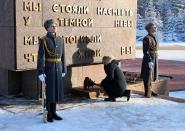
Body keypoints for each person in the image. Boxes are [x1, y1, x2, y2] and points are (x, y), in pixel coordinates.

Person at [37, 19, 67, 122]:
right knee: (49, 92)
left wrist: (64, 68)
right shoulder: (44, 40)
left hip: (58, 68)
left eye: (55, 25)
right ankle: (48, 113)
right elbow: (41, 57)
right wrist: (40, 72)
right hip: (49, 69)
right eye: (52, 26)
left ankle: (54, 112)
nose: (54, 27)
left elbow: (63, 56)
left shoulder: (60, 39)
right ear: (47, 28)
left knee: (56, 91)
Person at [141, 22, 158, 98]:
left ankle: (150, 90)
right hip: (149, 59)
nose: (155, 28)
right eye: (154, 27)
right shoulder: (147, 38)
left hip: (154, 57)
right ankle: (147, 92)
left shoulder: (153, 36)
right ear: (150, 28)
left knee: (152, 75)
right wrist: (149, 60)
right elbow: (146, 51)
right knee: (147, 75)